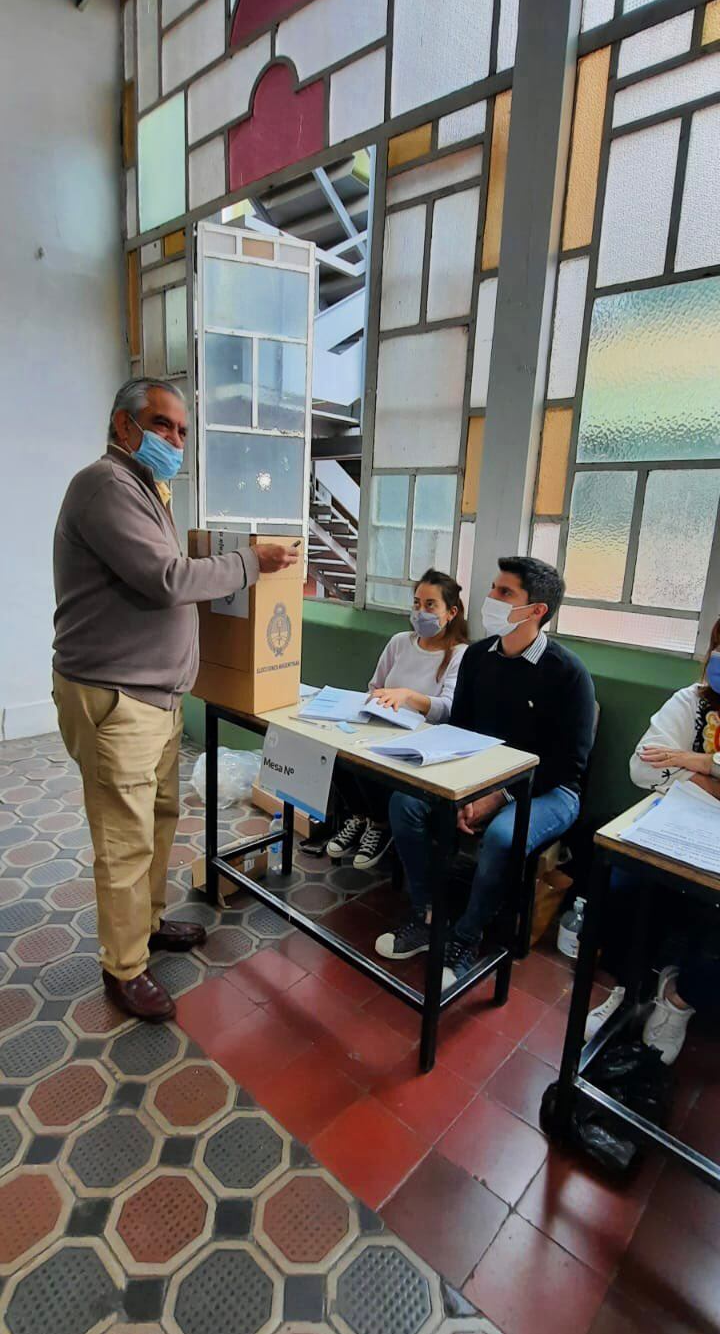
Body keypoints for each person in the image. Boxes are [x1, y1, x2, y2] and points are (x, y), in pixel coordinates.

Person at [52, 377, 298, 1023]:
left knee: (159, 820)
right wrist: (250, 562)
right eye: (163, 425)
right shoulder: (106, 485)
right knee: (125, 839)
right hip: (116, 697)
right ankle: (123, 966)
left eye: (183, 431)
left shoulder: (146, 489)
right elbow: (165, 580)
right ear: (124, 425)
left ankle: (148, 924)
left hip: (155, 699)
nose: (176, 440)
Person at [376, 556, 596, 985]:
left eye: (504, 592)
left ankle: (466, 937)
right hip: (480, 776)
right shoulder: (478, 657)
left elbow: (568, 763)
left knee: (501, 836)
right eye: (494, 588)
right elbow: (461, 732)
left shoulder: (568, 674)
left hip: (549, 789)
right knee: (405, 803)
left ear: (537, 610)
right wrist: (463, 790)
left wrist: (498, 796)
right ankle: (428, 913)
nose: (490, 597)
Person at [584, 622, 720, 1062]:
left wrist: (701, 762)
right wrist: (707, 778)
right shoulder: (691, 702)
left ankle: (677, 998)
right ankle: (628, 988)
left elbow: (673, 767)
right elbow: (642, 768)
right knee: (623, 882)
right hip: (676, 826)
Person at [327, 570, 468, 869]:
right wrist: (376, 702)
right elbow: (374, 687)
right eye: (417, 603)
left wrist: (407, 696)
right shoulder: (400, 642)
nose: (420, 611)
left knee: (373, 765)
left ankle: (380, 826)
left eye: (431, 605)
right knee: (335, 753)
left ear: (451, 612)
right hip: (381, 728)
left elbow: (447, 709)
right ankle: (362, 818)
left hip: (421, 743)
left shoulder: (459, 654)